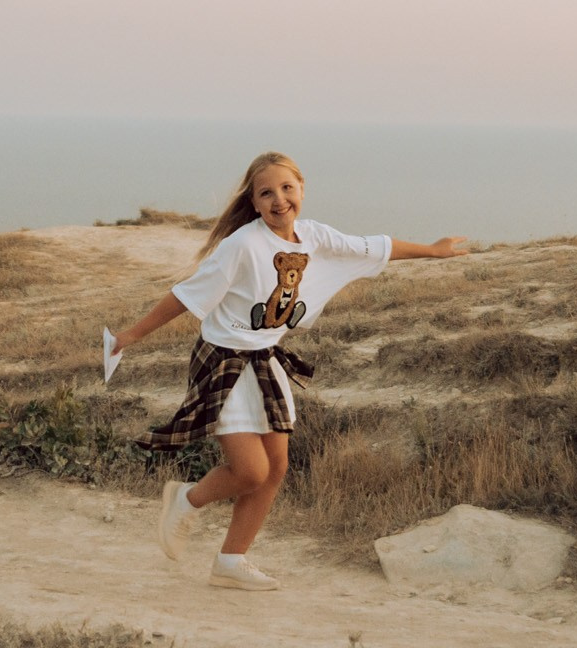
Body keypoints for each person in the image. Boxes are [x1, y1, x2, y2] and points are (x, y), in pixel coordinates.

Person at [107, 152, 468, 590]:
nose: (278, 200)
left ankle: (231, 562)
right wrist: (130, 335)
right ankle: (186, 499)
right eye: (266, 193)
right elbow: (185, 295)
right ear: (254, 203)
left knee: (276, 467)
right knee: (251, 471)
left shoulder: (314, 237)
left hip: (264, 358)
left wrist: (432, 251)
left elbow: (375, 246)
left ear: (301, 189)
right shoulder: (242, 246)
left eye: (286, 188)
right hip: (223, 361)